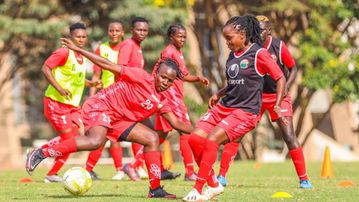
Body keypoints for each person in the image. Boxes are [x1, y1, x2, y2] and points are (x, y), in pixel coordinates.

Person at [26, 38, 193, 198]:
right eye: (163, 77)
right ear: (156, 73)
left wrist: (203, 131)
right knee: (95, 142)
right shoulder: (140, 76)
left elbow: (176, 123)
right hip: (101, 105)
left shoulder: (162, 100)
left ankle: (155, 189)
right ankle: (41, 153)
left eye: (170, 81)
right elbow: (107, 64)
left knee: (151, 138)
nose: (165, 82)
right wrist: (78, 50)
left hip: (119, 119)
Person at [183, 15, 287, 201]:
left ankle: (198, 189)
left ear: (243, 34)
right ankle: (214, 184)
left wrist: (278, 105)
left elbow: (280, 78)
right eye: (225, 39)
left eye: (229, 38)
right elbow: (235, 83)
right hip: (225, 106)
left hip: (245, 112)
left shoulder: (259, 54)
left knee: (212, 140)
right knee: (194, 139)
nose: (227, 42)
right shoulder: (233, 54)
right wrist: (219, 94)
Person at [216, 15, 312, 189]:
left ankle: (304, 179)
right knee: (236, 135)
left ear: (269, 30)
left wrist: (284, 92)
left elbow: (292, 68)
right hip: (256, 98)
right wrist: (220, 93)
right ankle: (221, 176)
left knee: (289, 136)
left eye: (262, 30)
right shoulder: (250, 47)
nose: (258, 33)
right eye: (256, 29)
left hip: (278, 97)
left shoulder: (278, 46)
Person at [39, 22, 102, 183]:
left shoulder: (81, 56)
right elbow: (45, 68)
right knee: (69, 141)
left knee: (78, 136)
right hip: (55, 103)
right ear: (71, 38)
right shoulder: (63, 52)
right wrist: (59, 88)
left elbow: (78, 79)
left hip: (73, 106)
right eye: (78, 37)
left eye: (83, 37)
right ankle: (50, 173)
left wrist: (92, 84)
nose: (81, 39)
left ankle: (42, 153)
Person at [152, 24, 209, 181]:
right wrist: (163, 94)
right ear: (172, 37)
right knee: (185, 131)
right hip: (171, 98)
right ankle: (190, 172)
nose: (182, 39)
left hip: (171, 97)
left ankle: (139, 163)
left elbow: (182, 75)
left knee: (158, 137)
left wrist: (197, 78)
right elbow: (158, 73)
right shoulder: (168, 52)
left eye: (184, 37)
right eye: (179, 36)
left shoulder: (177, 52)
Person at [84, 21, 126, 181]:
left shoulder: (127, 47)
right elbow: (96, 76)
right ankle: (120, 170)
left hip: (124, 97)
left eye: (117, 30)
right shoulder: (101, 49)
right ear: (108, 32)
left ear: (122, 32)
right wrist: (92, 97)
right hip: (107, 98)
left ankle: (130, 168)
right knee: (106, 133)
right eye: (111, 30)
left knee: (119, 132)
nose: (114, 33)